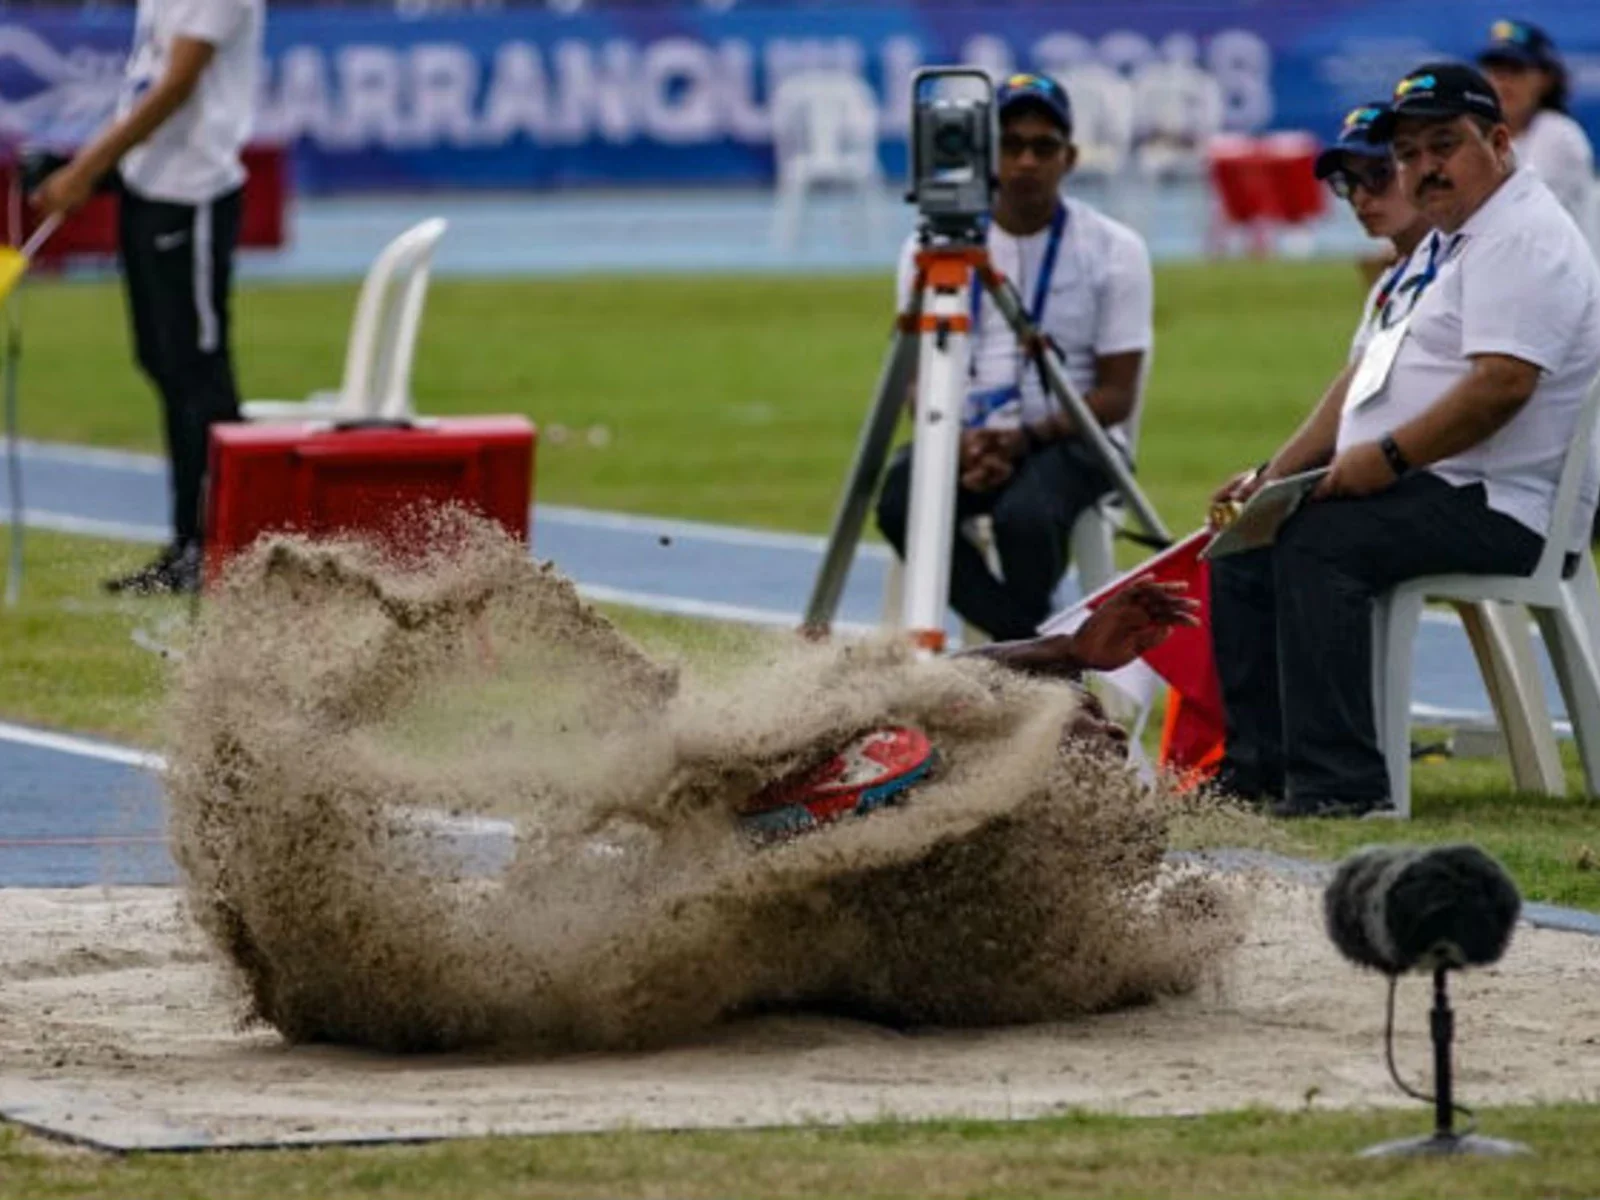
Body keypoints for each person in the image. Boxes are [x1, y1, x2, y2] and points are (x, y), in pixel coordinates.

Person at [1207, 63, 1600, 818]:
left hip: (1504, 502)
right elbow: (1360, 380)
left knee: (1319, 541)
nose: (1424, 168)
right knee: (1250, 538)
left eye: (1443, 146)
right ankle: (1259, 773)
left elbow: (1502, 385)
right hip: (1444, 482)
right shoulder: (1448, 240)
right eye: (1410, 154)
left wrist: (1384, 461)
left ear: (1498, 141)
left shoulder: (1518, 235)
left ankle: (1340, 785)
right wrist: (1272, 476)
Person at [875, 72, 1155, 643]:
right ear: (985, 154)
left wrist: (1025, 439)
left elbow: (1118, 394)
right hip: (968, 433)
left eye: (1043, 147)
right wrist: (955, 440)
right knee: (902, 494)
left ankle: (1010, 661)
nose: (1026, 161)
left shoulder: (1115, 249)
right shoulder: (931, 248)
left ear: (1070, 157)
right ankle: (1034, 647)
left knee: (1023, 520)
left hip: (1075, 438)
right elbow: (913, 379)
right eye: (1010, 145)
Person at [32, 0, 264, 595]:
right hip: (149, 183)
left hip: (193, 193)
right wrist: (101, 166)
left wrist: (88, 166)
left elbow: (179, 84)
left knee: (200, 373)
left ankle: (226, 548)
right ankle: (189, 543)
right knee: (162, 363)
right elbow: (147, 80)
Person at [1477, 19, 1595, 234]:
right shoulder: (1484, 139)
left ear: (1546, 79)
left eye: (1515, 70)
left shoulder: (1559, 135)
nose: (1503, 83)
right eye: (1495, 71)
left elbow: (1520, 220)